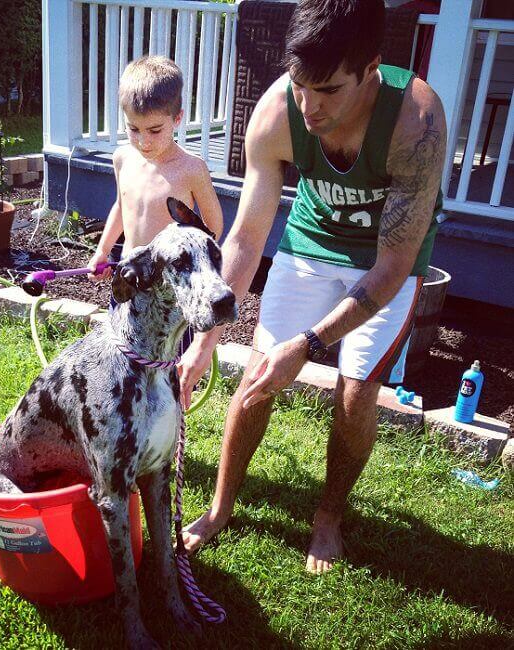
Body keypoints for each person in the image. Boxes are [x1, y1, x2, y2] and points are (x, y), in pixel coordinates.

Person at [177, 0, 446, 574]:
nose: (309, 105)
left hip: (385, 259)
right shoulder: (277, 113)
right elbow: (247, 239)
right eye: (300, 84)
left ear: (371, 68)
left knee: (355, 392)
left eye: (327, 89)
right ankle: (221, 506)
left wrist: (308, 345)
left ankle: (327, 516)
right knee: (256, 372)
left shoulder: (415, 122)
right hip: (311, 242)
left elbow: (392, 268)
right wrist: (205, 336)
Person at [88, 55, 223, 303]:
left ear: (177, 118)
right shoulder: (122, 158)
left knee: (176, 343)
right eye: (133, 129)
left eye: (154, 130)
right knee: (123, 339)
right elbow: (122, 206)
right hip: (128, 276)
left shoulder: (191, 169)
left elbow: (213, 228)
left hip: (172, 288)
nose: (143, 141)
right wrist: (103, 251)